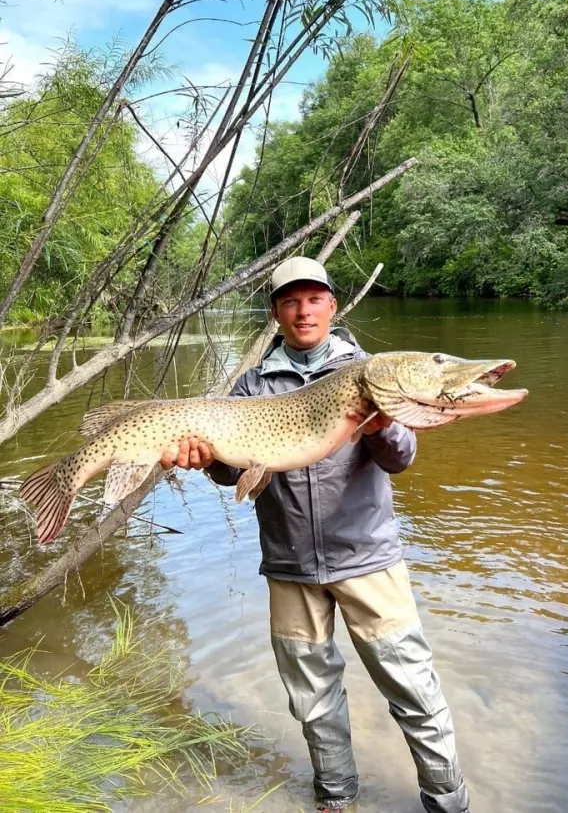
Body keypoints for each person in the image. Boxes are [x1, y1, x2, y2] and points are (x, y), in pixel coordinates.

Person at [160, 257, 470, 813]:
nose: (303, 311)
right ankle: (336, 797)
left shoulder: (372, 370)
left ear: (332, 305)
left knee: (414, 689)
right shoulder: (252, 384)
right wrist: (207, 461)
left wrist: (382, 427)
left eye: (313, 299)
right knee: (313, 699)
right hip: (291, 566)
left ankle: (448, 801)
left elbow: (400, 459)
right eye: (290, 301)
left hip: (368, 558)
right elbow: (233, 473)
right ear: (277, 311)